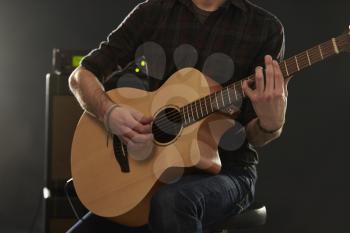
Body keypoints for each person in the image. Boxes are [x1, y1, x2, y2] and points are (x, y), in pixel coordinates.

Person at [68, 0, 291, 232]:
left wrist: (270, 124)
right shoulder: (152, 12)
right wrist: (109, 112)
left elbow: (253, 136)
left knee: (171, 202)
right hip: (144, 169)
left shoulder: (265, 28)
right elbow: (80, 76)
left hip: (226, 170)